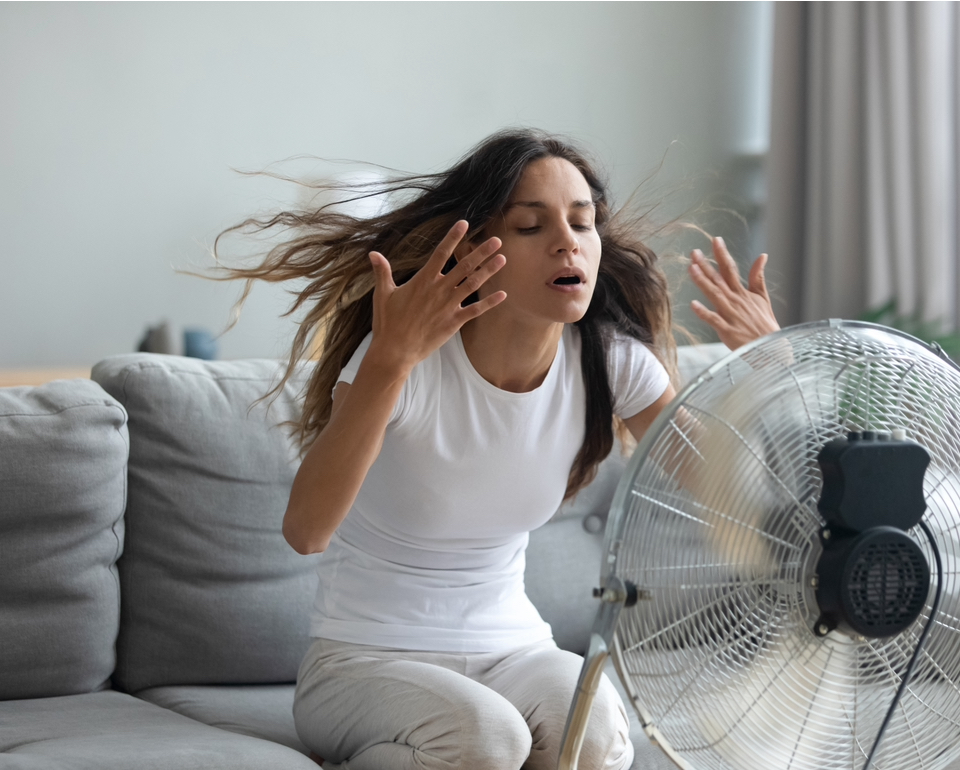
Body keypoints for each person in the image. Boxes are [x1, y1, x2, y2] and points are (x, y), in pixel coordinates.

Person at [217, 129, 779, 770]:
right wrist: (390, 361)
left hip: (514, 650)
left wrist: (775, 368)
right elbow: (306, 530)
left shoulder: (611, 363)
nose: (569, 241)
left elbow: (737, 502)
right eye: (530, 226)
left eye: (583, 222)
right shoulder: (405, 358)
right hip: (365, 660)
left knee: (591, 735)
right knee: (487, 740)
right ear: (476, 246)